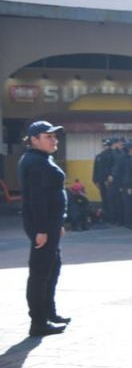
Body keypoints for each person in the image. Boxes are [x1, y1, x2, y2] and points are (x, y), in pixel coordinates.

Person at [20, 121, 70, 337]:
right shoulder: (34, 162)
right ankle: (38, 322)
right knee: (40, 273)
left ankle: (49, 312)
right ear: (34, 140)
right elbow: (37, 199)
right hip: (43, 225)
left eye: (54, 136)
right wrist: (41, 229)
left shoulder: (42, 158)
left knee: (52, 268)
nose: (54, 140)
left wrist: (58, 223)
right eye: (48, 136)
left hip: (51, 224)